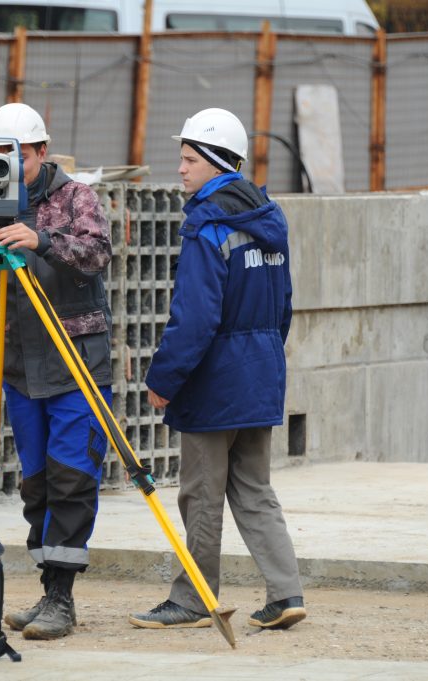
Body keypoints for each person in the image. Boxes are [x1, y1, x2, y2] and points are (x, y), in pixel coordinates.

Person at [128, 108, 305, 631]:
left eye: (187, 160)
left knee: (201, 494)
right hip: (260, 376)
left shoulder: (207, 224)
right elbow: (284, 306)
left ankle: (193, 599)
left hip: (213, 383)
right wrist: (260, 361)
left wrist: (164, 378)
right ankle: (286, 592)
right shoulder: (268, 218)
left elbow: (195, 317)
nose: (180, 170)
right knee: (254, 489)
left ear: (215, 161)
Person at [0, 102, 112, 640]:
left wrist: (40, 239)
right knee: (38, 484)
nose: (10, 166)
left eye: (19, 156)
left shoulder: (76, 197)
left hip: (74, 361)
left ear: (42, 150)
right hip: (20, 367)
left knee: (72, 477)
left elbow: (97, 252)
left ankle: (63, 596)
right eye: (1, 156)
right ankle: (48, 591)